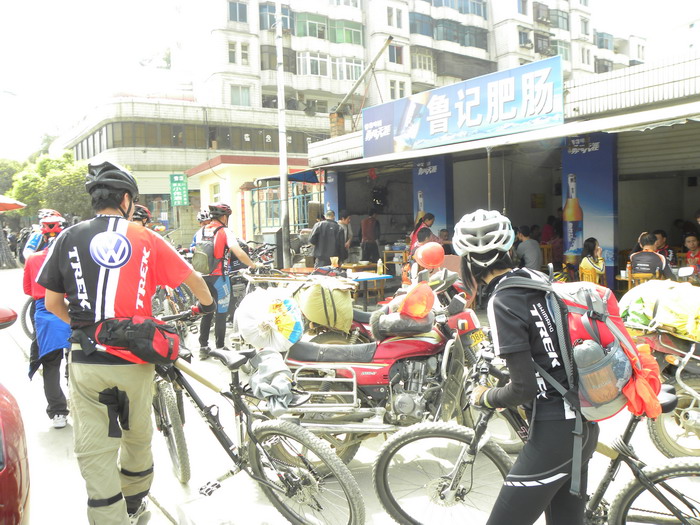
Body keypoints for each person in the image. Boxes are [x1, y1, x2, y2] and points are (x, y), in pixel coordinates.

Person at [37, 160, 215, 525]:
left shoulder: (67, 237)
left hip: (87, 359)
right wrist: (207, 305)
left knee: (95, 448)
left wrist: (88, 328)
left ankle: (109, 519)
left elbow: (52, 303)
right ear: (125, 199)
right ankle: (134, 507)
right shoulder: (146, 236)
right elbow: (195, 280)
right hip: (135, 359)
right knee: (136, 437)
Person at [453, 209, 599, 525]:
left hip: (554, 434)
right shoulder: (535, 279)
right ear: (508, 249)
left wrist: (483, 396)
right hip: (582, 423)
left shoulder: (503, 300)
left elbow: (523, 389)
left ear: (469, 262)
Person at [23, 214, 70, 429]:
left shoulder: (32, 259)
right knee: (79, 359)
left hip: (44, 314)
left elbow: (27, 289)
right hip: (72, 311)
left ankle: (58, 412)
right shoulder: (70, 256)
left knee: (51, 365)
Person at [198, 202, 257, 359]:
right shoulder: (224, 231)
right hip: (220, 278)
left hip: (202, 278)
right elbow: (239, 252)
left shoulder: (200, 231)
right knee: (221, 313)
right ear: (224, 217)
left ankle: (203, 347)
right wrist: (253, 265)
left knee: (207, 311)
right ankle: (220, 348)